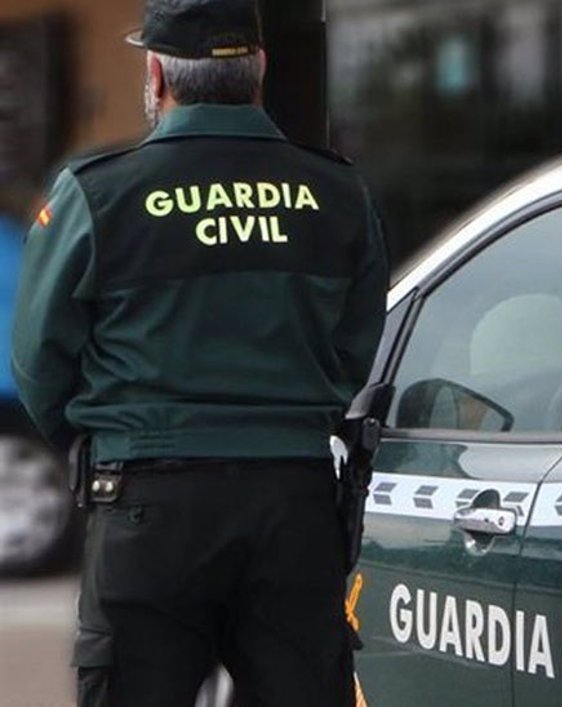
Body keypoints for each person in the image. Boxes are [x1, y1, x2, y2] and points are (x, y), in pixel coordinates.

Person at [11, 0, 388, 704]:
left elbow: (38, 360)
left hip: (147, 507)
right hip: (293, 504)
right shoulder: (338, 191)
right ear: (260, 70)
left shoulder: (99, 192)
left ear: (156, 76)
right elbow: (354, 347)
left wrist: (106, 441)